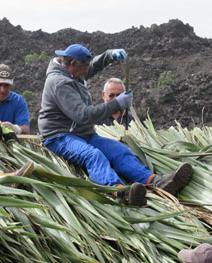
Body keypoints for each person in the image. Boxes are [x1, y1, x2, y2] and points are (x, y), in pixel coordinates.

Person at [38, 44, 193, 206]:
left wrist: (110, 55)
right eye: (84, 67)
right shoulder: (60, 83)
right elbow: (83, 115)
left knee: (119, 151)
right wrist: (117, 104)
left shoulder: (73, 72)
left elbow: (93, 66)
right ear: (72, 64)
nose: (87, 71)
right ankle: (120, 192)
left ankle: (155, 181)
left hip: (83, 134)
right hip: (60, 136)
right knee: (93, 156)